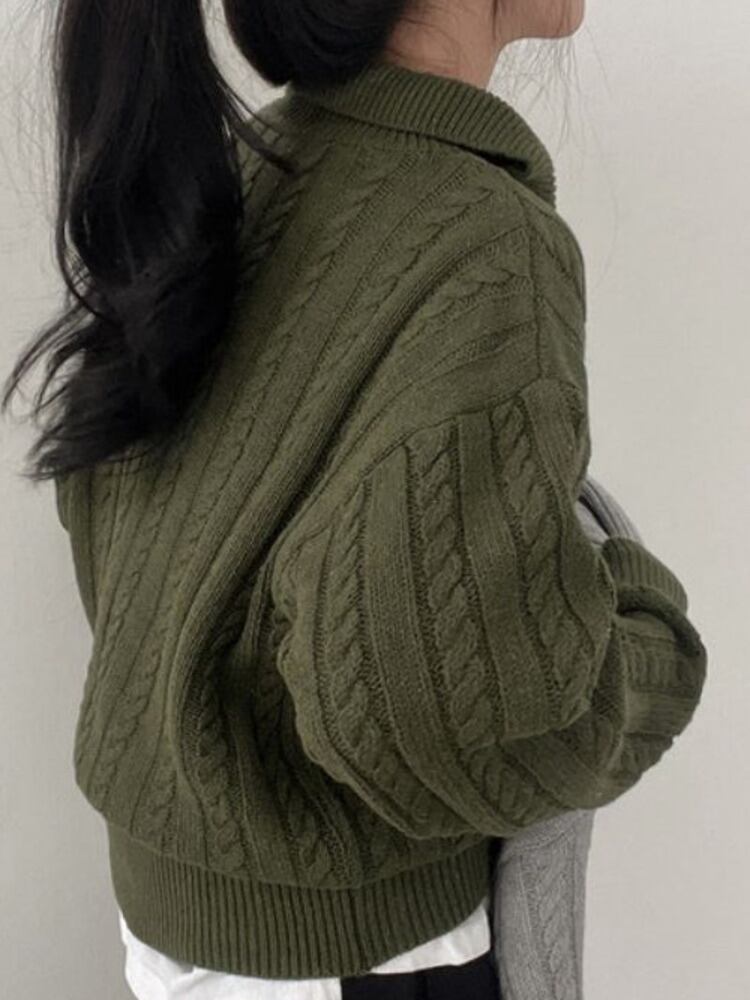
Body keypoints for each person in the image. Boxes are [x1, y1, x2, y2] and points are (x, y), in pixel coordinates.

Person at [2, 1, 708, 998]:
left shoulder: (253, 169)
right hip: (356, 952)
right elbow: (460, 717)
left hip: (193, 928)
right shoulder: (478, 237)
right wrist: (651, 642)